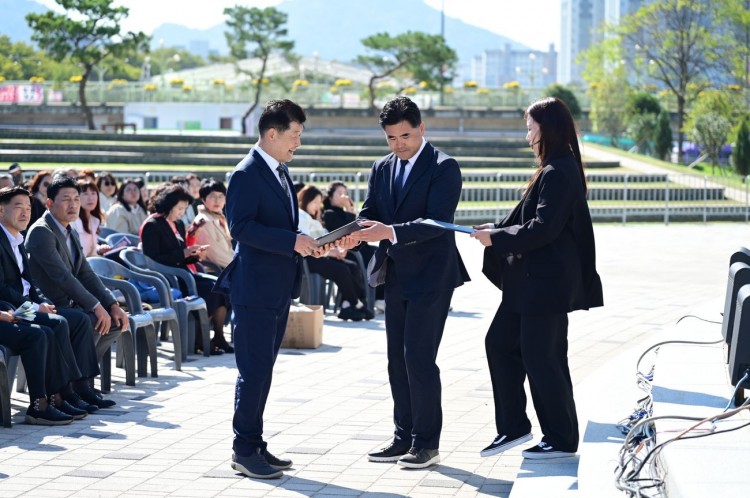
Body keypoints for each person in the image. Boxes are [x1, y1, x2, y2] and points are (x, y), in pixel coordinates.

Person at [469, 97, 604, 460]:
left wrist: (497, 238)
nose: (528, 136)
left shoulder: (559, 172)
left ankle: (560, 438)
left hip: (545, 286)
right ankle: (514, 427)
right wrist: (494, 229)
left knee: (543, 359)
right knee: (501, 344)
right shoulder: (554, 170)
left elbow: (544, 228)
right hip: (529, 285)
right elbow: (530, 221)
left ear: (548, 130)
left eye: (531, 128)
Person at [346, 96, 469, 469]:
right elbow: (370, 214)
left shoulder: (444, 167)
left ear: (421, 128)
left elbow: (437, 222)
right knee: (396, 360)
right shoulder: (381, 167)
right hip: (396, 273)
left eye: (405, 136)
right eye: (391, 138)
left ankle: (426, 443)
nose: (398, 144)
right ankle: (403, 437)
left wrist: (389, 231)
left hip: (432, 275)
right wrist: (348, 237)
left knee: (418, 357)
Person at [215, 99, 324, 480]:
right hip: (255, 290)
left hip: (276, 288)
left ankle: (255, 443)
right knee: (253, 371)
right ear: (272, 134)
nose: (298, 143)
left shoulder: (279, 170)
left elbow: (279, 226)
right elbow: (241, 228)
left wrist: (304, 242)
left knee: (263, 371)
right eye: (295, 135)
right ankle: (244, 449)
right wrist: (292, 241)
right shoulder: (246, 173)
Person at [0, 186, 109, 415]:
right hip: (12, 309)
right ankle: (57, 397)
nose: (25, 213)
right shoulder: (7, 239)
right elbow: (3, 289)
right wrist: (34, 307)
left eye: (28, 208)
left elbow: (29, 284)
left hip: (25, 306)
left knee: (76, 320)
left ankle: (77, 389)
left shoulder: (16, 239)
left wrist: (42, 303)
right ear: (1, 210)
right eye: (18, 207)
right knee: (56, 325)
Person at [25, 175, 130, 401]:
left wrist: (111, 304)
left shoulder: (70, 230)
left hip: (71, 304)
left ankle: (80, 380)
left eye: (76, 199)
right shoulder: (41, 231)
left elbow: (85, 273)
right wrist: (95, 306)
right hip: (49, 305)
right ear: (49, 203)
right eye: (66, 199)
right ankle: (76, 387)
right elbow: (63, 277)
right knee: (88, 319)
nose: (73, 204)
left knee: (114, 322)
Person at [140, 183, 233, 354]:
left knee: (220, 287)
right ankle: (200, 339)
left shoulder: (178, 224)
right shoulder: (152, 225)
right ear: (169, 205)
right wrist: (183, 253)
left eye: (184, 208)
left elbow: (182, 254)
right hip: (168, 277)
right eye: (180, 208)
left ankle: (218, 336)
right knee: (211, 290)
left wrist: (195, 255)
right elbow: (153, 258)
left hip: (184, 273)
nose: (182, 212)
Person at [298, 185, 372, 321]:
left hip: (322, 255)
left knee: (352, 266)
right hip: (308, 259)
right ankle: (357, 304)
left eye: (319, 203)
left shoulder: (314, 219)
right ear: (306, 200)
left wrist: (338, 250)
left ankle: (348, 305)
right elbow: (308, 243)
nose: (317, 206)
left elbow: (325, 236)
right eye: (314, 202)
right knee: (341, 269)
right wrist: (332, 253)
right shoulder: (301, 216)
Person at [322, 181, 384, 312]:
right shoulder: (328, 213)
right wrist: (349, 210)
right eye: (339, 193)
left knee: (381, 253)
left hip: (357, 248)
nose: (344, 196)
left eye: (345, 193)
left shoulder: (344, 212)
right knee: (364, 258)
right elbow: (347, 230)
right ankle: (360, 299)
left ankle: (380, 297)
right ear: (330, 197)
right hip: (344, 249)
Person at [188, 179, 233, 272]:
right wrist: (239, 264)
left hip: (224, 266)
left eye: (221, 196)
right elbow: (215, 254)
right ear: (203, 199)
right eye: (212, 197)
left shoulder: (217, 217)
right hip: (214, 271)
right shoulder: (204, 221)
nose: (217, 200)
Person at [73, 179, 111, 257]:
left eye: (93, 193)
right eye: (85, 194)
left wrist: (99, 249)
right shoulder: (73, 221)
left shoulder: (94, 220)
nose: (90, 198)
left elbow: (89, 248)